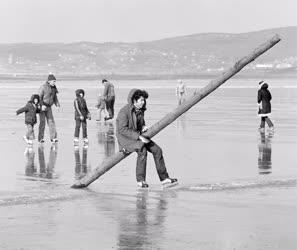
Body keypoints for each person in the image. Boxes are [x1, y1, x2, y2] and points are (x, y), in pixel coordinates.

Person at [116, 89, 177, 188]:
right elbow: (122, 129)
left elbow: (139, 124)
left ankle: (164, 179)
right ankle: (140, 181)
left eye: (143, 100)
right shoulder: (124, 111)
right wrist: (138, 136)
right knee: (142, 150)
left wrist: (143, 127)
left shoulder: (140, 110)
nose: (143, 102)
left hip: (137, 136)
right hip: (126, 138)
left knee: (157, 150)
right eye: (141, 100)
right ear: (134, 101)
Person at [38, 74, 60, 143]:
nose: (54, 82)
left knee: (51, 122)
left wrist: (57, 104)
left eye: (55, 81)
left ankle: (53, 137)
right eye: (53, 81)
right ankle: (40, 138)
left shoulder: (54, 88)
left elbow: (55, 97)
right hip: (42, 107)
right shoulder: (43, 87)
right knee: (42, 122)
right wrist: (41, 105)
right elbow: (38, 98)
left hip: (49, 107)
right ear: (49, 81)